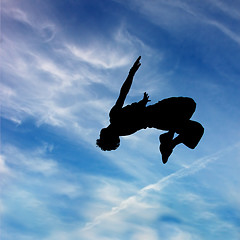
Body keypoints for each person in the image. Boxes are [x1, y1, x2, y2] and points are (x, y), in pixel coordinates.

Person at [96, 56, 204, 164]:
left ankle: (169, 143)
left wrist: (141, 103)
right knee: (189, 105)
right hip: (159, 111)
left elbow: (135, 116)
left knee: (197, 131)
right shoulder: (115, 117)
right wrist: (131, 74)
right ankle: (168, 140)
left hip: (160, 122)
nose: (100, 133)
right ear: (107, 135)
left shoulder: (123, 131)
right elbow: (123, 94)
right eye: (102, 136)